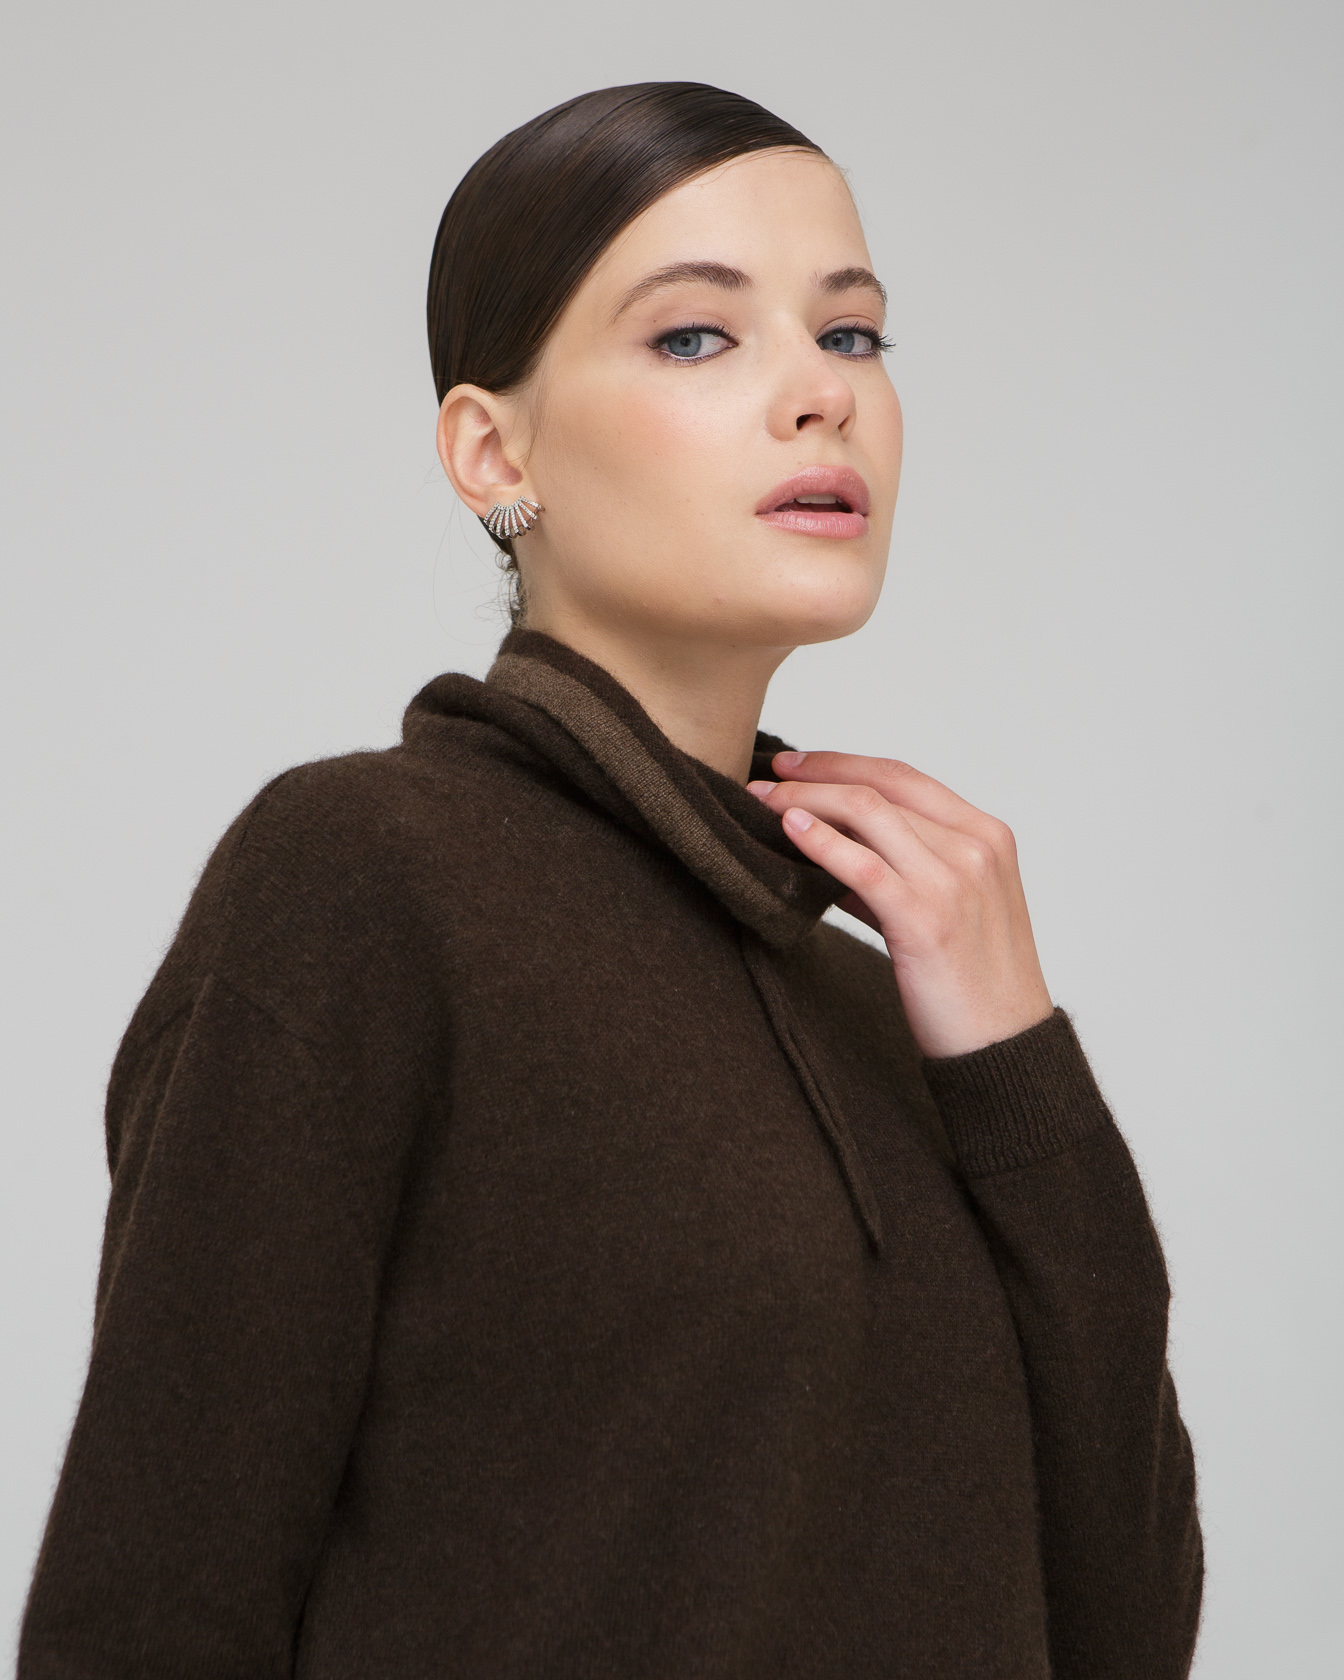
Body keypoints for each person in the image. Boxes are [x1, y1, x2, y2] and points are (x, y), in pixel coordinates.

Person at [18, 82, 1202, 1680]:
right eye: (696, 337)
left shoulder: (894, 1004)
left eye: (851, 334)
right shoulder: (366, 882)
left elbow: (1124, 1635)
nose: (822, 396)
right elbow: (147, 1617)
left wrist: (1016, 1066)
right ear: (492, 452)